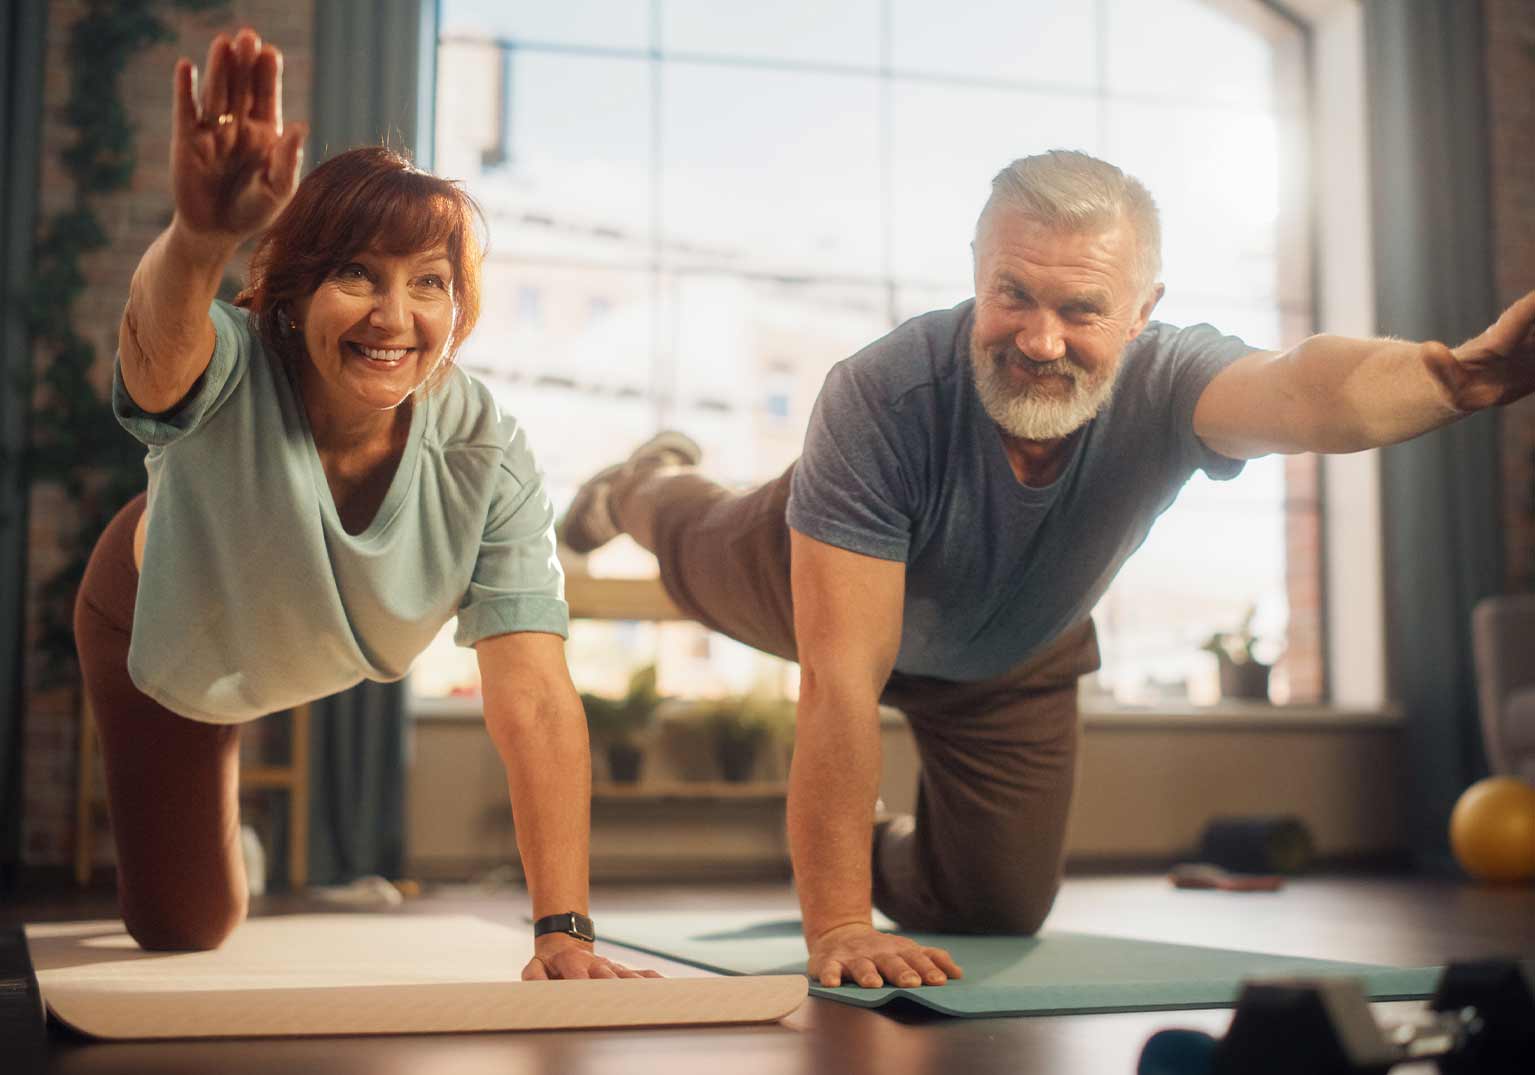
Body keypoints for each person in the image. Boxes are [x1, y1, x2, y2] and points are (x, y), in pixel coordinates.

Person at [559, 149, 1535, 991]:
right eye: (1011, 294)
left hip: (1012, 653)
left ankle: (880, 833)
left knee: (992, 907)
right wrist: (840, 923)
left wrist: (1455, 379)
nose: (1038, 339)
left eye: (1079, 308)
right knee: (691, 539)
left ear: (1142, 310)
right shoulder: (882, 394)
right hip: (815, 580)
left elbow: (1304, 394)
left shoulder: (1171, 381)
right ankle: (643, 480)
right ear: (975, 274)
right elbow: (839, 686)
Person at [74, 28, 655, 981]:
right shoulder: (232, 359)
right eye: (357, 274)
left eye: (429, 283)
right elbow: (154, 353)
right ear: (293, 296)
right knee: (183, 928)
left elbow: (535, 696)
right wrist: (201, 238)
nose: (396, 317)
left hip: (287, 633)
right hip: (164, 613)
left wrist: (564, 929)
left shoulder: (486, 452)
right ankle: (226, 845)